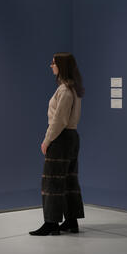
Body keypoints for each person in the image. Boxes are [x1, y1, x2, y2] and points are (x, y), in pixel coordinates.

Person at [30, 52, 85, 236]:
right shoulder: (73, 89)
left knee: (52, 182)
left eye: (53, 63)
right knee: (69, 180)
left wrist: (47, 140)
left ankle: (51, 223)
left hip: (61, 139)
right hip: (72, 138)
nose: (51, 66)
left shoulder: (64, 90)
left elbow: (58, 120)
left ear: (61, 65)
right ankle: (71, 221)